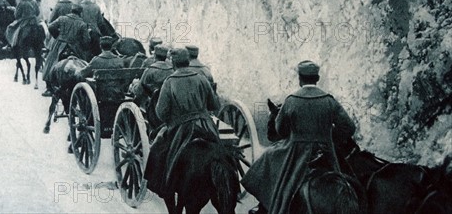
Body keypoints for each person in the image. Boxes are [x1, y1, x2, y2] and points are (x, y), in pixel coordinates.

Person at [241, 60, 356, 214]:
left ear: (300, 78)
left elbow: (280, 130)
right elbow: (349, 127)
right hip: (327, 152)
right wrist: (328, 138)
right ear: (317, 78)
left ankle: (267, 206)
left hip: (297, 154)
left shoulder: (292, 101)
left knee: (268, 156)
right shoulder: (329, 100)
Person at [144, 48, 221, 200]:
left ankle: (164, 187)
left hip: (182, 129)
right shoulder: (201, 78)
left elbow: (161, 113)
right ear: (188, 61)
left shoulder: (170, 82)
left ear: (173, 62)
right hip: (207, 125)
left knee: (157, 148)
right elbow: (214, 105)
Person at [41, 4, 91, 96]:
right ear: (80, 13)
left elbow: (51, 26)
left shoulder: (62, 19)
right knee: (83, 63)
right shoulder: (82, 24)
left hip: (60, 45)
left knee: (50, 62)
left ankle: (49, 88)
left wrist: (57, 36)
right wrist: (83, 45)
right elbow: (86, 40)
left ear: (71, 10)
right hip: (75, 47)